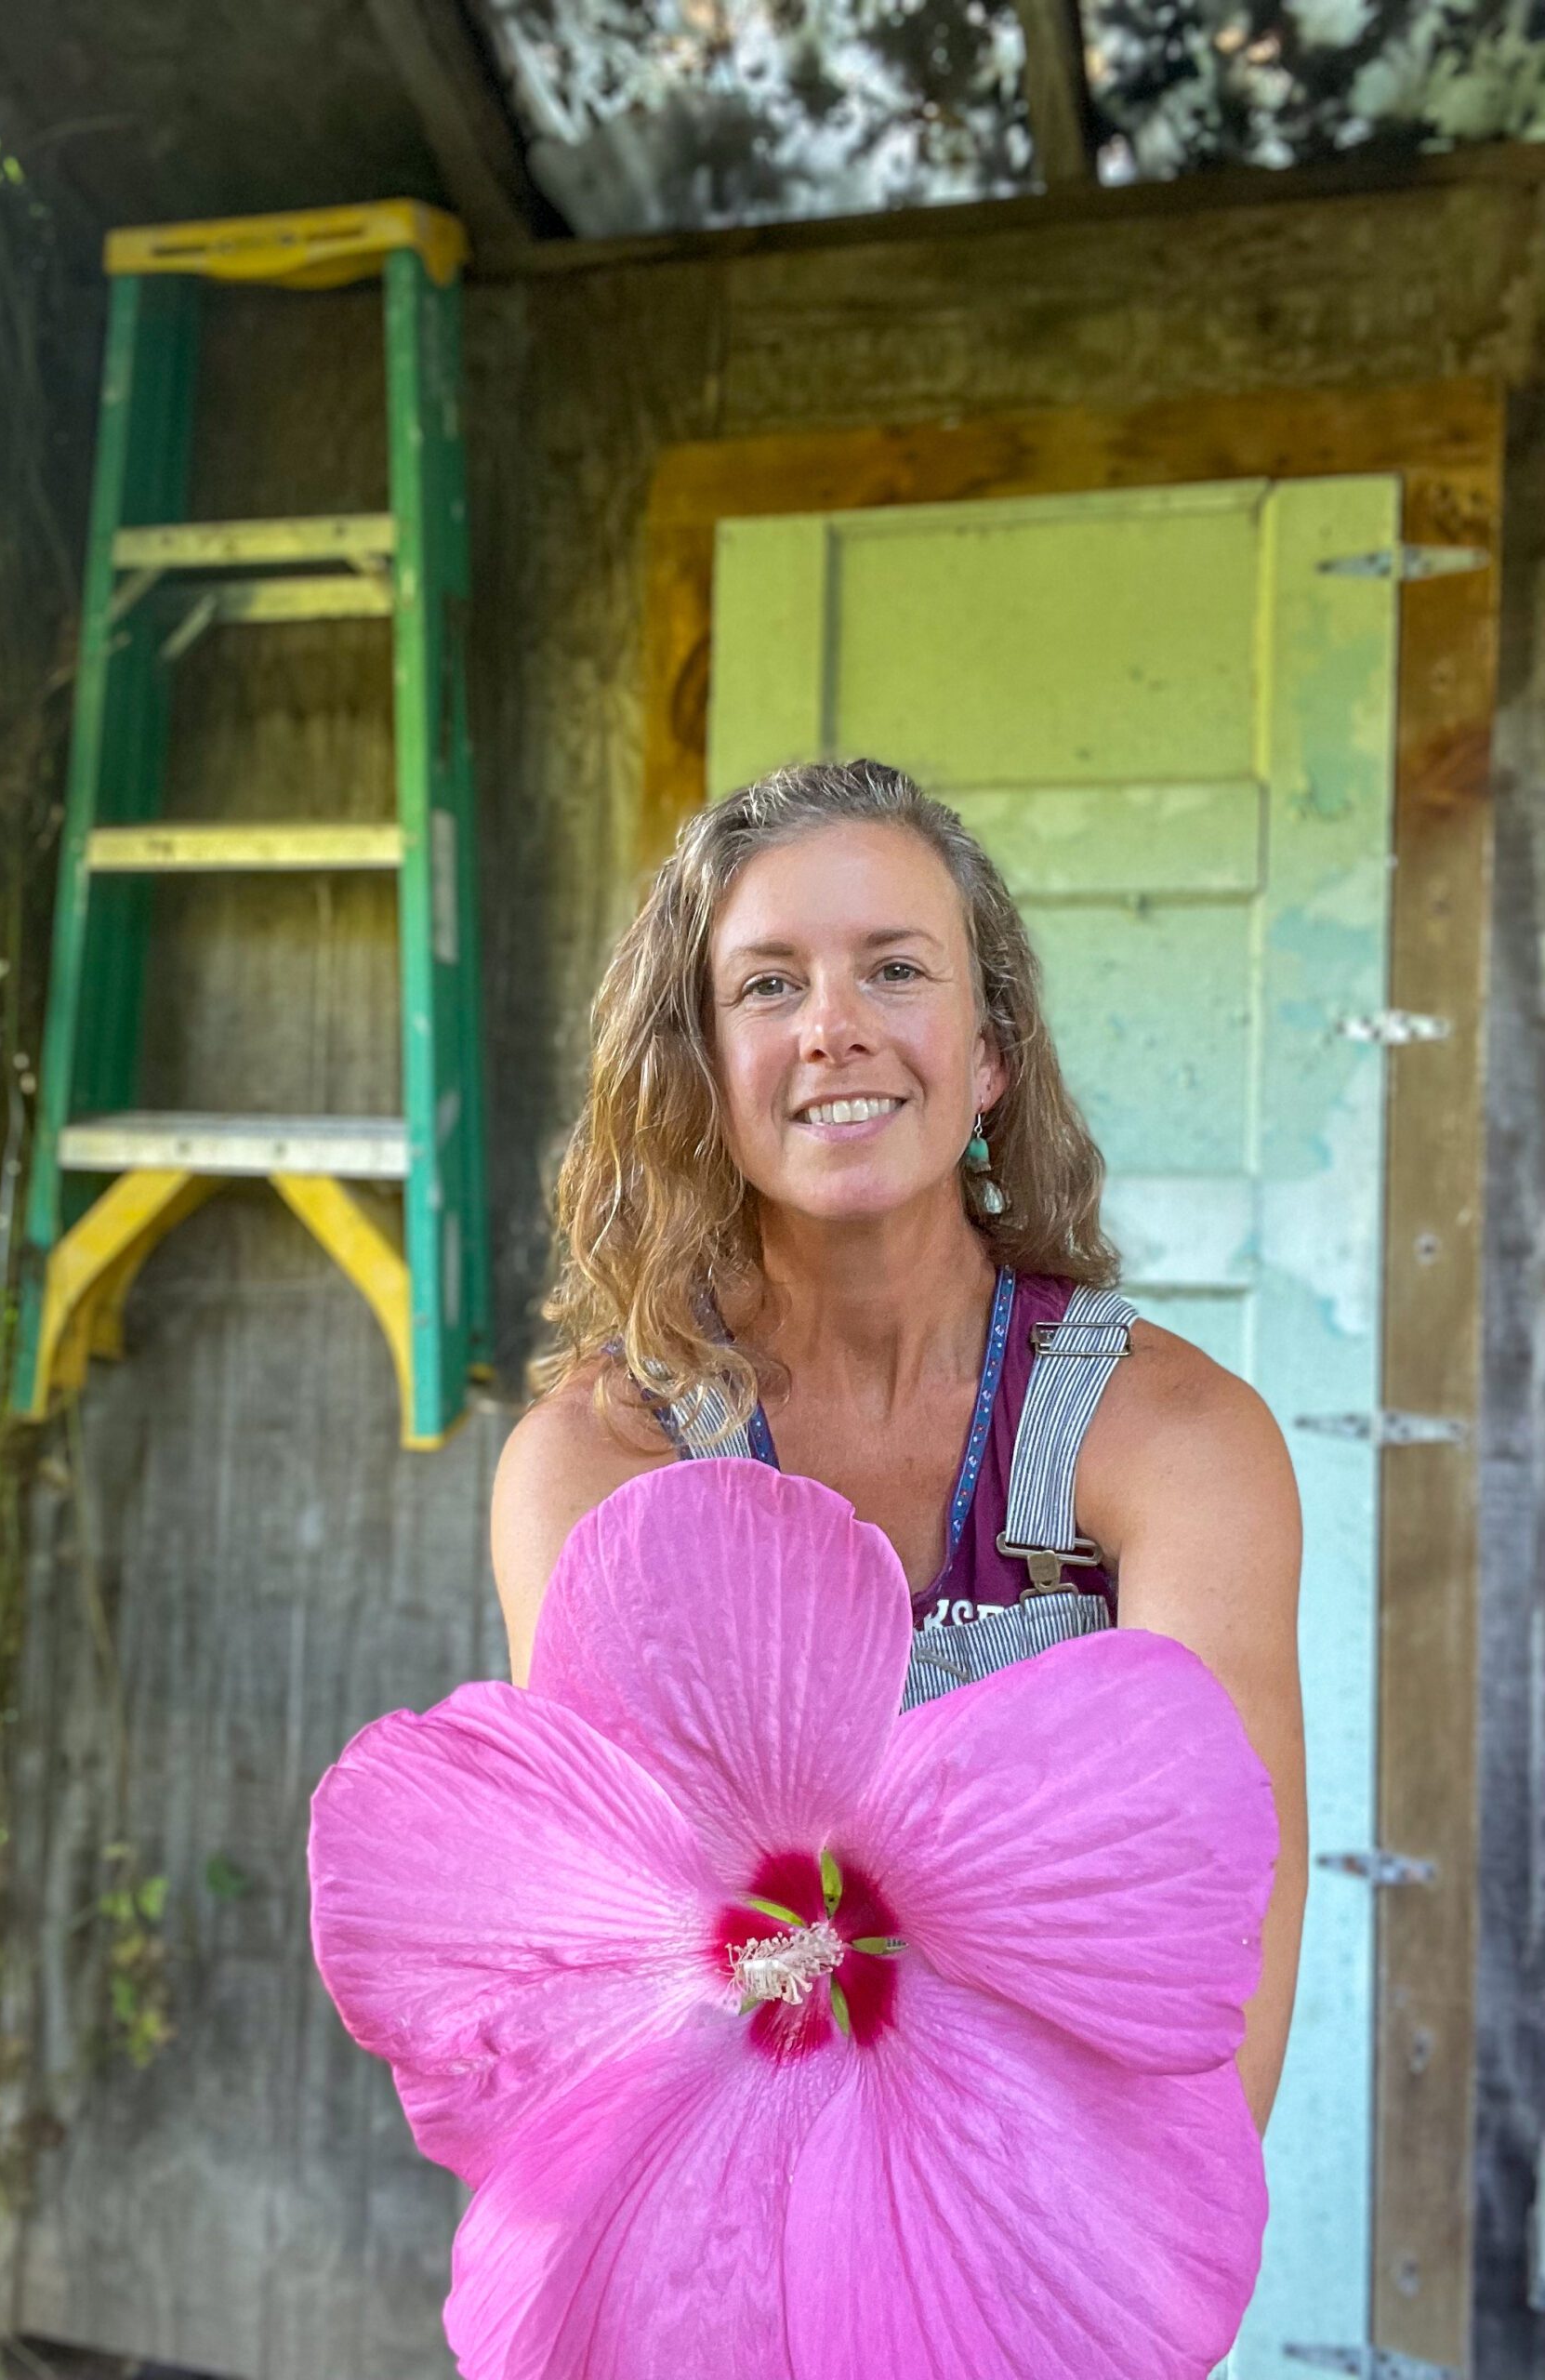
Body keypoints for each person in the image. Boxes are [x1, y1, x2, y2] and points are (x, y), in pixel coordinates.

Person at [491, 756, 1306, 2135]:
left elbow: (1218, 1970)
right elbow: (602, 1973)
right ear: (700, 1070)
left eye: (896, 970)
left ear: (989, 1054)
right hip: (726, 2216)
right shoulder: (599, 1466)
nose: (833, 1029)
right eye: (767, 984)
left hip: (1049, 2230)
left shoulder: (1176, 1446)